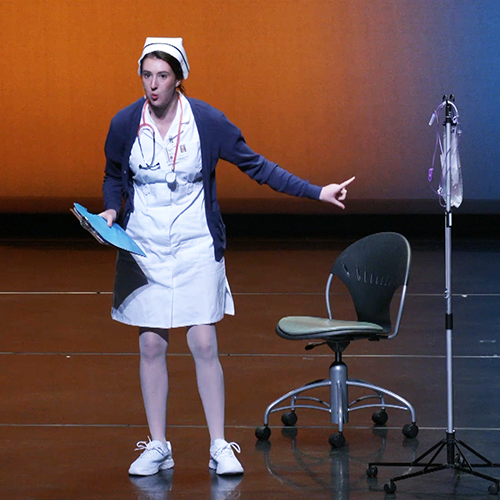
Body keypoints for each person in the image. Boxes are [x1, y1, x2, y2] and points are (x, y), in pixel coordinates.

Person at [99, 37, 355, 478]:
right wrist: (109, 210)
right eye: (147, 75)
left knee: (202, 340)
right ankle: (159, 444)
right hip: (144, 245)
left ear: (178, 79)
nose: (153, 85)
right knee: (151, 343)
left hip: (196, 241)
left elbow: (258, 166)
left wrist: (317, 191)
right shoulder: (125, 123)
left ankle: (219, 444)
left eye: (162, 76)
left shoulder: (207, 121)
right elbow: (112, 176)